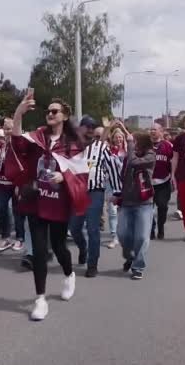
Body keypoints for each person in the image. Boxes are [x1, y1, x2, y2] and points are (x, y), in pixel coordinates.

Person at [11, 95, 89, 321]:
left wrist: (63, 176)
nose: (50, 114)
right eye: (48, 111)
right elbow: (16, 141)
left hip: (58, 201)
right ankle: (40, 299)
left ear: (64, 116)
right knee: (39, 249)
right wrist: (19, 112)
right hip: (36, 199)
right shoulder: (37, 137)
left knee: (59, 245)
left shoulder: (73, 144)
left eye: (55, 111)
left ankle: (69, 273)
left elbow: (81, 173)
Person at [69, 116, 121, 278]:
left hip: (95, 192)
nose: (91, 129)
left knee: (93, 229)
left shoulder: (101, 147)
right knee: (74, 228)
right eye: (87, 126)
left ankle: (92, 264)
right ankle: (83, 248)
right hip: (77, 193)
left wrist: (117, 191)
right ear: (81, 128)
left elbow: (112, 168)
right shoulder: (72, 147)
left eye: (93, 126)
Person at [115, 129, 156, 279]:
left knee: (141, 237)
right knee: (122, 234)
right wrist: (117, 195)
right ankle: (130, 256)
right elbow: (122, 177)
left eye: (135, 141)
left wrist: (130, 143)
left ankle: (138, 266)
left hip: (144, 203)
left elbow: (133, 162)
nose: (132, 143)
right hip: (126, 202)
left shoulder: (150, 155)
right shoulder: (128, 156)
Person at [0, 118, 25, 251]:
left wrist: (20, 184)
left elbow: (23, 165)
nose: (7, 131)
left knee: (18, 212)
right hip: (1, 182)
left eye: (10, 128)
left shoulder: (19, 145)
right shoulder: (2, 146)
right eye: (5, 128)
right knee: (0, 209)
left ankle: (20, 238)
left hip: (15, 182)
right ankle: (6, 237)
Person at [150, 123, 174, 240]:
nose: (152, 131)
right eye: (151, 130)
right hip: (148, 183)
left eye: (154, 129)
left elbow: (173, 163)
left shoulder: (168, 146)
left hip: (163, 182)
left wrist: (173, 177)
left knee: (162, 206)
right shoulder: (146, 145)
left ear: (161, 131)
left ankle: (161, 227)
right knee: (148, 208)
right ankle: (151, 229)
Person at [104, 122, 127, 248]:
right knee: (112, 211)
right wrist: (108, 128)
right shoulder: (108, 151)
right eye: (116, 137)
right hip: (111, 184)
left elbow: (131, 139)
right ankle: (114, 236)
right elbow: (100, 143)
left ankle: (123, 233)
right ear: (112, 138)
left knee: (123, 212)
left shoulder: (127, 150)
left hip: (125, 185)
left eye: (121, 137)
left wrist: (122, 128)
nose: (118, 139)